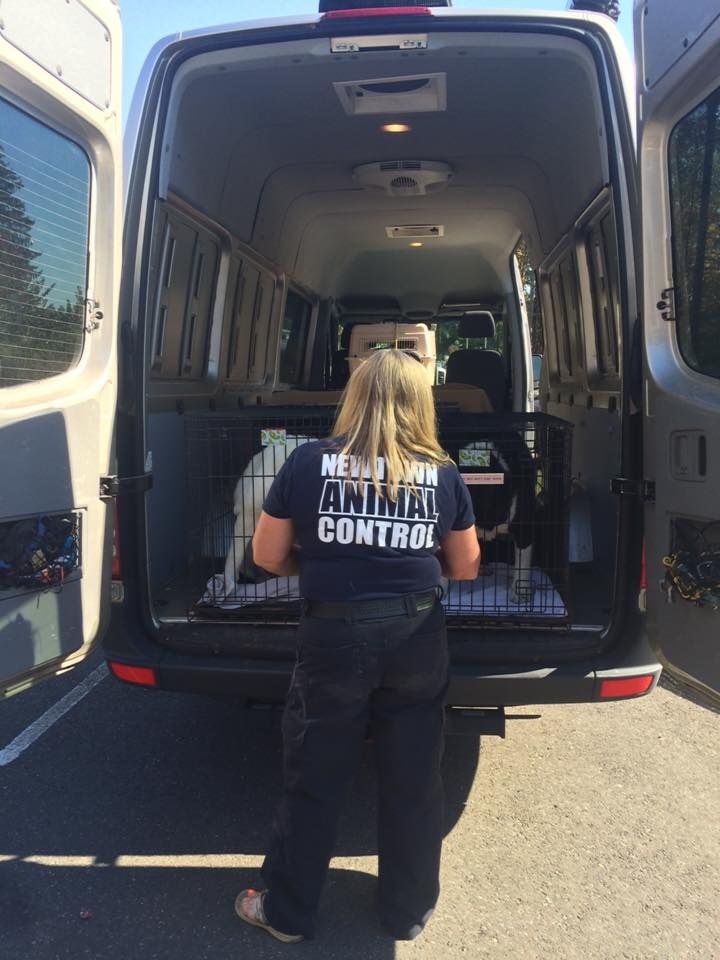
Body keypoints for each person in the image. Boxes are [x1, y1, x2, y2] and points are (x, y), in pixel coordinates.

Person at [235, 348, 480, 943]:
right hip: (417, 634)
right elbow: (467, 567)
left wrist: (322, 558)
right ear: (421, 403)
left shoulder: (305, 463)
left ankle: (288, 912)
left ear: (354, 397)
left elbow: (265, 557)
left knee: (315, 772)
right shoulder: (443, 472)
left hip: (335, 634)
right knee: (415, 776)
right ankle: (407, 911)